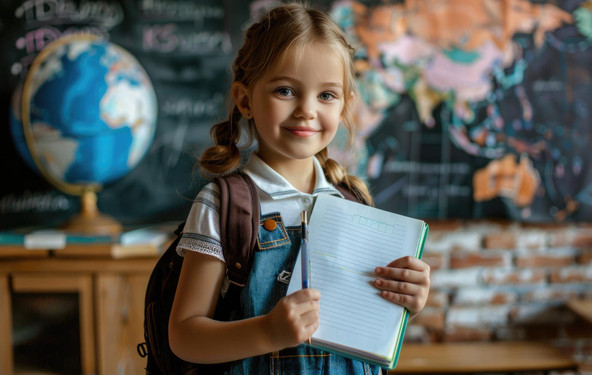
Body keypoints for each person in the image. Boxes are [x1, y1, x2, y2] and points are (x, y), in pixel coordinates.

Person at [168, 2, 431, 374]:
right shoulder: (224, 206)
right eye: (286, 91)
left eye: (326, 95)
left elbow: (365, 328)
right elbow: (184, 337)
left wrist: (407, 302)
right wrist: (267, 332)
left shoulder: (354, 204)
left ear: (344, 108)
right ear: (245, 100)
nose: (307, 109)